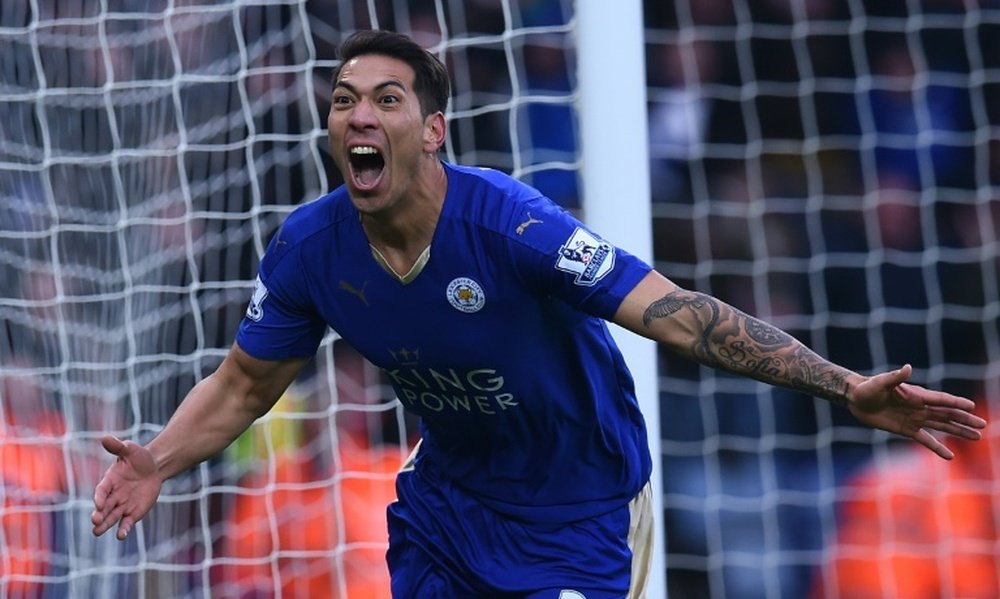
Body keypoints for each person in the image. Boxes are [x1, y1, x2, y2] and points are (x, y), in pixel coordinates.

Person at [91, 29, 986, 598]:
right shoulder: (307, 250)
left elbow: (676, 312)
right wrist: (158, 460)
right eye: (343, 100)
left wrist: (843, 385)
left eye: (386, 99)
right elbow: (247, 381)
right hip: (451, 506)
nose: (358, 114)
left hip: (580, 504)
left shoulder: (513, 225)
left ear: (433, 130)